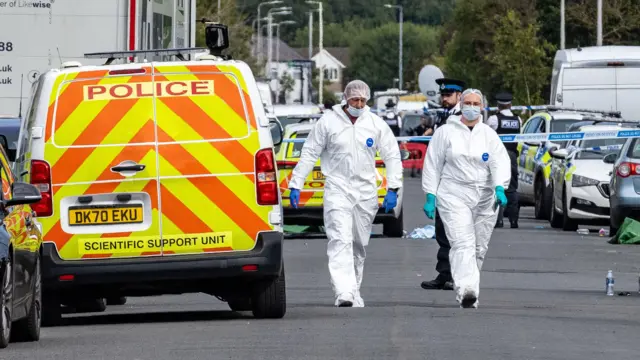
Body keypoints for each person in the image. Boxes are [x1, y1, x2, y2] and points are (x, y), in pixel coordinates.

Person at [288, 80, 403, 308]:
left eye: (362, 101)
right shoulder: (329, 122)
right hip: (337, 187)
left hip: (366, 190)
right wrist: (296, 183)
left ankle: (354, 289)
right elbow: (310, 152)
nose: (358, 104)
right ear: (346, 99)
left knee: (358, 243)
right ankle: (344, 292)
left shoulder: (375, 124)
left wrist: (393, 188)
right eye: (354, 100)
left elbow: (392, 156)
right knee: (340, 239)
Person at [422, 88, 510, 308]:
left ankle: (469, 286)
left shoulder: (489, 135)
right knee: (462, 243)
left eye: (476, 103)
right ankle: (467, 290)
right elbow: (433, 164)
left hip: (485, 196)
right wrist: (430, 195)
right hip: (453, 193)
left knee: (479, 248)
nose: (471, 107)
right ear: (461, 104)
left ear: (482, 107)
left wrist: (500, 186)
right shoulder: (445, 132)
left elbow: (499, 162)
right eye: (467, 103)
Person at [420, 77, 465, 291]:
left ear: (459, 96)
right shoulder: (442, 116)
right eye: (443, 95)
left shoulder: (465, 117)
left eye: (449, 95)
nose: (444, 98)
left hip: (459, 180)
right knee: (442, 231)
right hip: (443, 180)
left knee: (456, 232)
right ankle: (444, 273)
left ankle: (457, 275)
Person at [485, 91, 522, 228]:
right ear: (510, 105)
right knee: (512, 187)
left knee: (497, 185)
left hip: (497, 155)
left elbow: (487, 136)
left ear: (498, 105)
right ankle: (514, 220)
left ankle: (498, 220)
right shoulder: (518, 120)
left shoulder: (494, 120)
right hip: (512, 155)